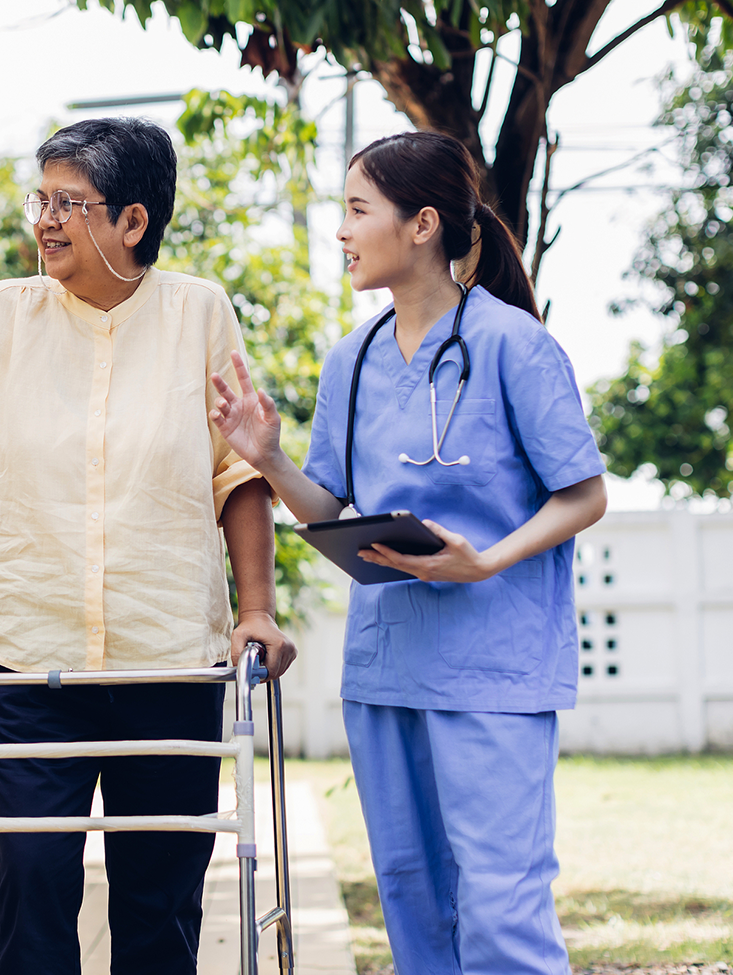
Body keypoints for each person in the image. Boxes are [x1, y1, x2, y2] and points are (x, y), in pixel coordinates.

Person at [0, 117, 296, 975]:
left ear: (133, 221)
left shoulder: (199, 313)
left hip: (170, 659)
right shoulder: (4, 314)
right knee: (33, 885)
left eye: (68, 203)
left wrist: (254, 610)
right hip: (29, 661)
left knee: (160, 897)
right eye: (42, 199)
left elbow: (239, 475)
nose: (45, 220)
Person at [209, 130, 607, 975]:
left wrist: (487, 561)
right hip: (388, 667)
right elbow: (330, 501)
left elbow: (585, 493)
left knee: (501, 905)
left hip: (493, 665)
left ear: (423, 223)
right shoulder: (350, 361)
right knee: (413, 900)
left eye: (358, 211)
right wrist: (268, 456)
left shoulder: (512, 344)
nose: (342, 232)